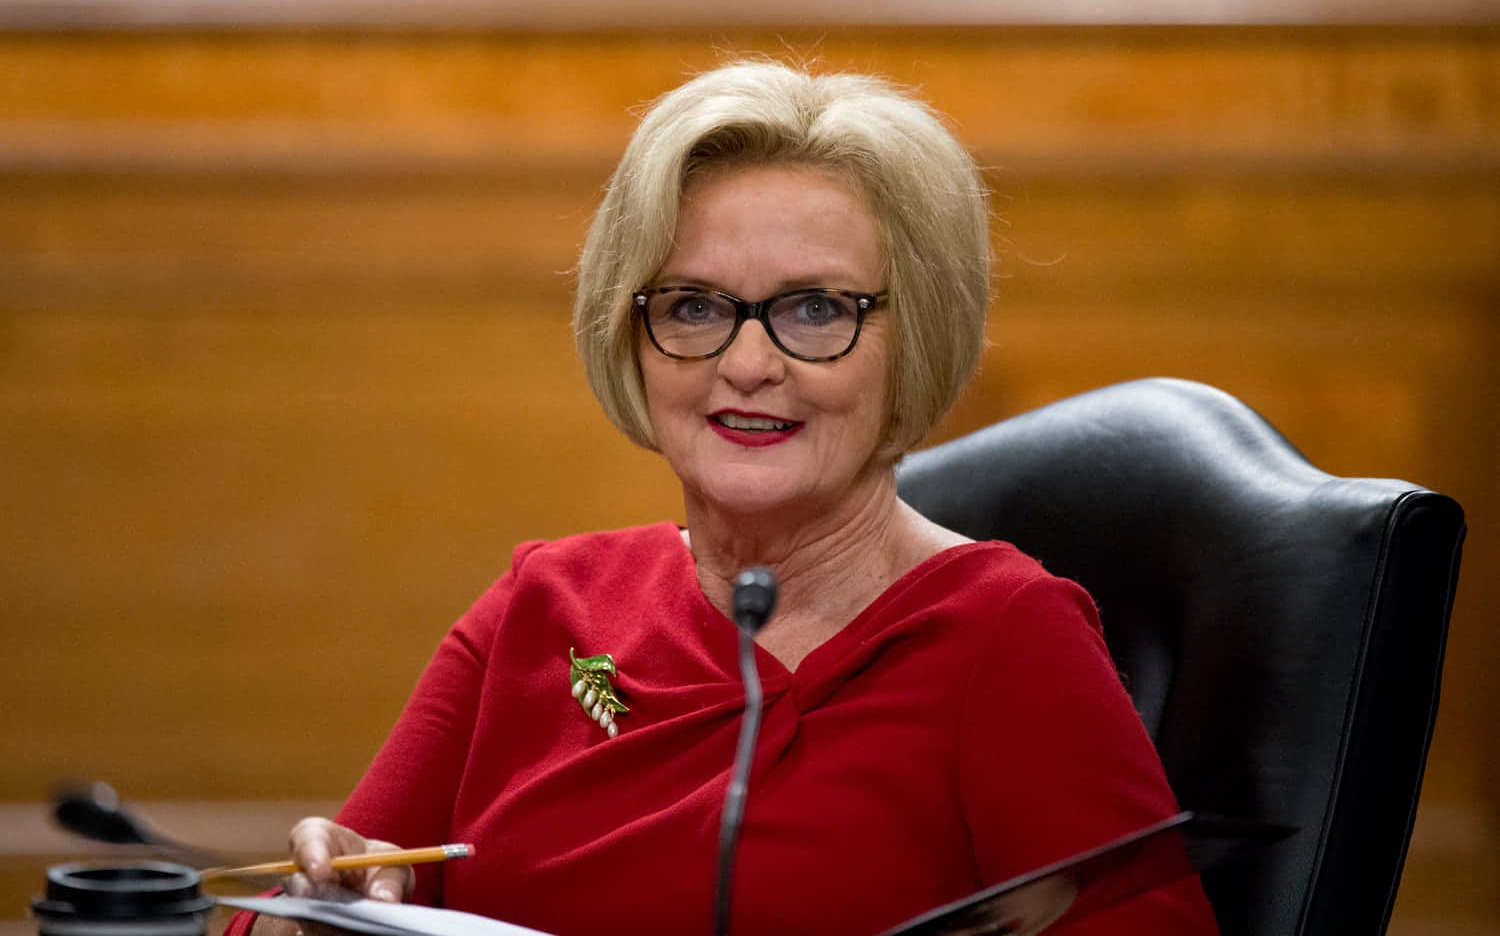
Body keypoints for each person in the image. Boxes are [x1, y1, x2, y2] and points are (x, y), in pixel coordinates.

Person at [231, 60, 1218, 936]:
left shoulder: (1008, 636)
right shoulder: (542, 606)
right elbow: (335, 887)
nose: (748, 362)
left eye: (815, 308)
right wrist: (309, 915)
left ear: (916, 336)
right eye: (696, 306)